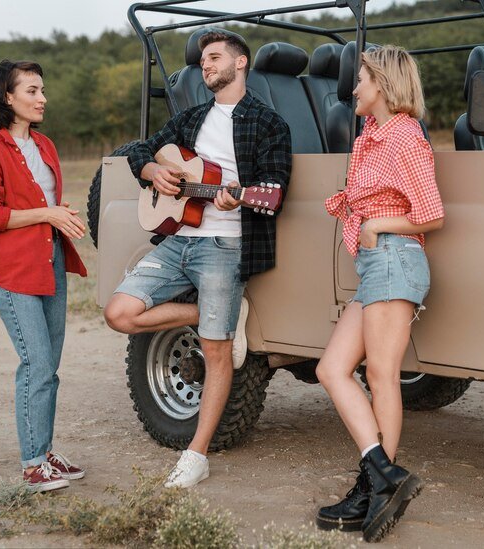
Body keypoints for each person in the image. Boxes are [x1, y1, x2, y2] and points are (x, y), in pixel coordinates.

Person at [103, 29, 292, 489]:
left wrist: (238, 199)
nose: (204, 66)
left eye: (214, 58)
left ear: (240, 63)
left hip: (223, 246)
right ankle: (224, 316)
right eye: (203, 59)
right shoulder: (191, 118)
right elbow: (140, 151)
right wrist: (153, 172)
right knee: (119, 313)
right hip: (177, 240)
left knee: (215, 351)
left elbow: (275, 192)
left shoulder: (269, 124)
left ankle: (196, 453)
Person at [316, 45, 445, 542]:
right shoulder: (372, 134)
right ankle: (382, 477)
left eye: (362, 79)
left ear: (385, 85)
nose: (353, 88)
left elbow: (432, 213)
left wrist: (375, 222)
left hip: (395, 256)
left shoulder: (406, 137)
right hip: (377, 263)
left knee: (381, 374)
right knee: (332, 369)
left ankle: (375, 488)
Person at [0, 60, 88, 492]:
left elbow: (45, 202)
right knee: (36, 363)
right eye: (33, 90)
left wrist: (61, 219)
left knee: (50, 367)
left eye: (42, 90)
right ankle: (32, 463)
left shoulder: (46, 145)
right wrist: (47, 213)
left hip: (51, 264)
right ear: (8, 97)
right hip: (15, 272)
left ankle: (45, 448)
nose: (42, 98)